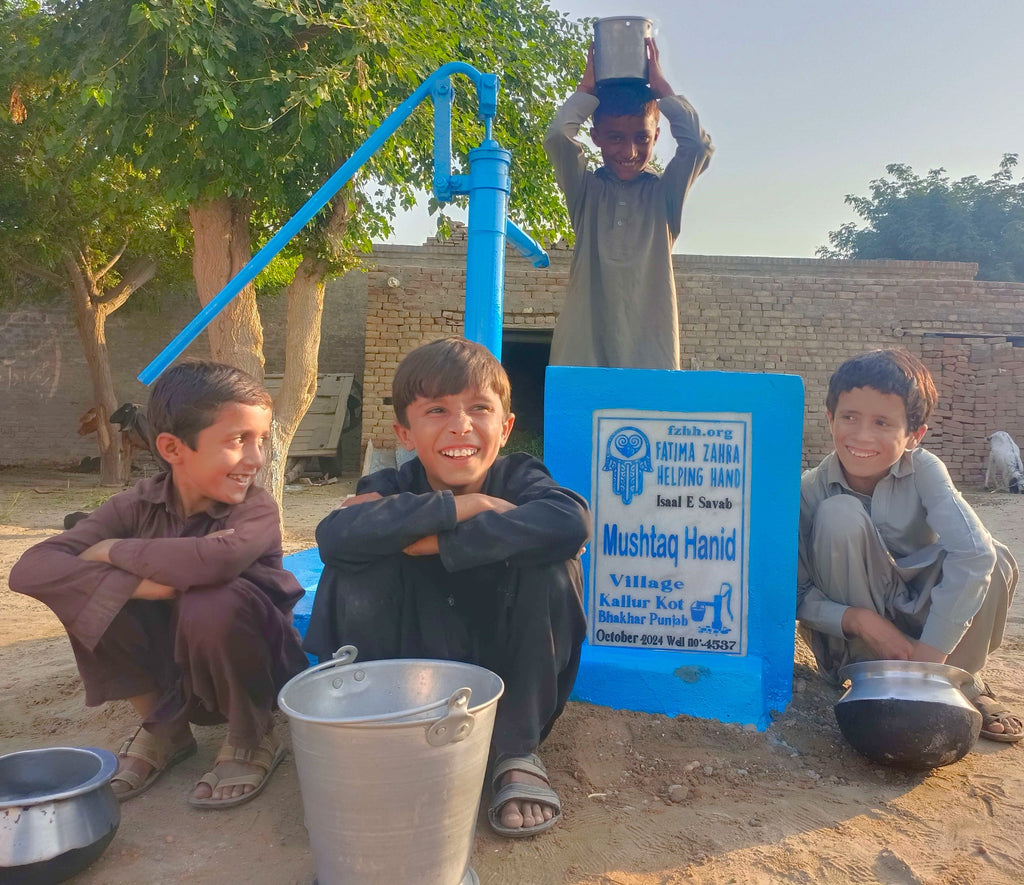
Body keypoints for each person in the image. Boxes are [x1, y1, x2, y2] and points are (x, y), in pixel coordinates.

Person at [304, 337, 591, 837]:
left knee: (553, 564)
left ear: (504, 429)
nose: (461, 424)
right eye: (437, 410)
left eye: (479, 408)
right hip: (409, 670)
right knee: (356, 559)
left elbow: (570, 522)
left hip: (501, 667)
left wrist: (436, 543)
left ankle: (514, 752)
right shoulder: (391, 485)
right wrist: (467, 507)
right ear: (406, 433)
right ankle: (383, 732)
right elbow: (337, 535)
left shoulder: (520, 475)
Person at [9, 360, 309, 807]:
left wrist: (113, 551)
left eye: (261, 440)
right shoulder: (134, 506)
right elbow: (31, 569)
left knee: (212, 599)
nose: (255, 458)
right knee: (91, 594)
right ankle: (163, 730)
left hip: (250, 670)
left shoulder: (255, 508)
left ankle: (251, 735)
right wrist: (140, 585)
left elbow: (217, 561)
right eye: (237, 440)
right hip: (169, 667)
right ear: (172, 448)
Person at [797, 349, 1022, 741]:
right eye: (850, 417)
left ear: (914, 436)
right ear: (830, 418)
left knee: (996, 556)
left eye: (883, 422)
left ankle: (958, 682)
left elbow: (974, 554)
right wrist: (864, 622)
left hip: (926, 646)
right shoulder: (809, 490)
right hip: (856, 648)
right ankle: (874, 683)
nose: (862, 436)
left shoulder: (925, 471)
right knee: (839, 515)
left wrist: (928, 662)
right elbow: (796, 595)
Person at [544, 38, 713, 370]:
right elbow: (557, 138)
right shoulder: (586, 192)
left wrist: (663, 90)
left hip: (651, 352)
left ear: (656, 137)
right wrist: (586, 90)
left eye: (642, 138)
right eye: (616, 138)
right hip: (584, 349)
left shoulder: (664, 195)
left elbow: (697, 147)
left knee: (649, 420)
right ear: (596, 138)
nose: (630, 151)